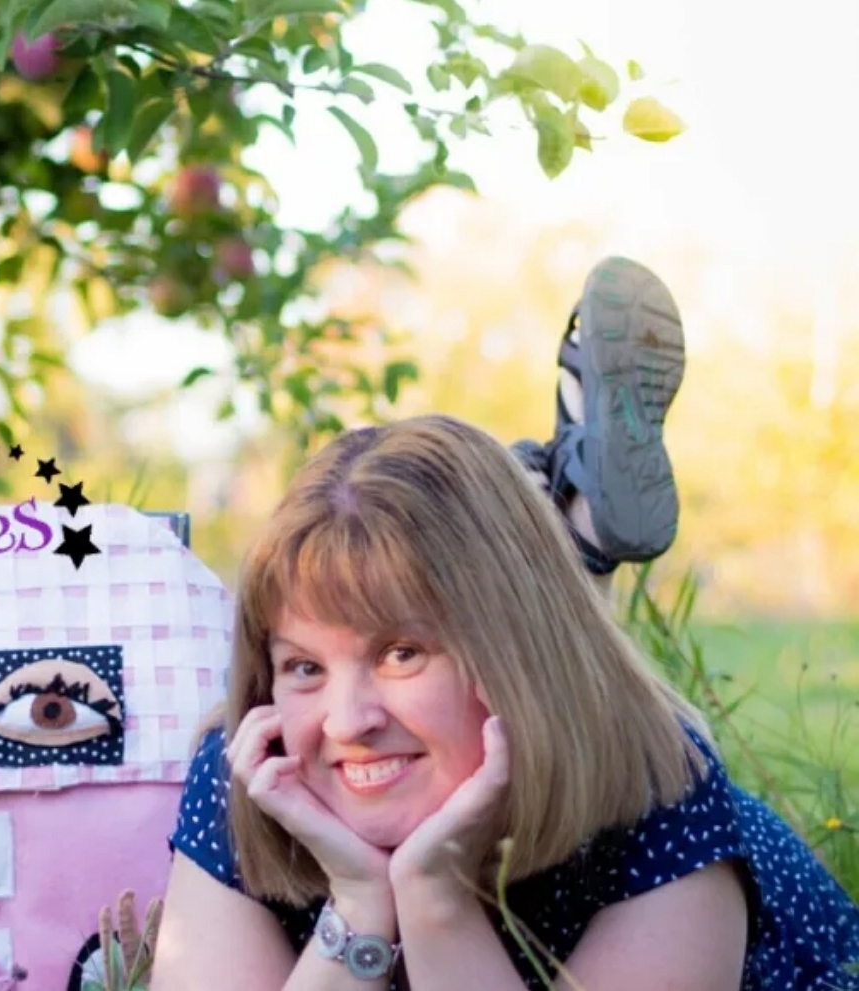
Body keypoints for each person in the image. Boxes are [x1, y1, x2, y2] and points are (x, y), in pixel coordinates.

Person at [153, 257, 859, 990]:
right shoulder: (250, 770)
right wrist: (360, 907)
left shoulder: (652, 779)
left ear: (508, 655)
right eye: (304, 666)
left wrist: (434, 896)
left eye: (401, 653)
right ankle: (564, 528)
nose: (348, 721)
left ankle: (557, 531)